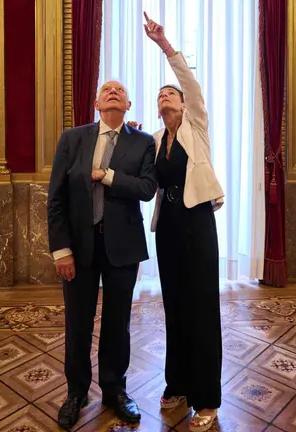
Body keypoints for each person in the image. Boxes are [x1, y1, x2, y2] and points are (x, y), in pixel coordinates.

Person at [47, 79, 157, 429]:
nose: (113, 91)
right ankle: (76, 393)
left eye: (120, 90)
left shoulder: (143, 142)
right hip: (78, 248)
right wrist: (61, 250)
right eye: (106, 89)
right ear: (96, 103)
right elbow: (57, 198)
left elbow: (146, 188)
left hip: (122, 248)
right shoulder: (73, 139)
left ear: (128, 105)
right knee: (77, 323)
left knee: (117, 324)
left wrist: (108, 176)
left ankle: (114, 390)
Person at [144, 12, 225, 432]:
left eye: (169, 93)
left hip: (197, 224)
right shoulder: (156, 140)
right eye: (159, 95)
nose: (164, 98)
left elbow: (190, 84)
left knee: (201, 309)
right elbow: (142, 175)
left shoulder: (196, 125)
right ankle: (176, 386)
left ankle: (207, 399)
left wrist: (164, 45)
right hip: (169, 228)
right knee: (173, 307)